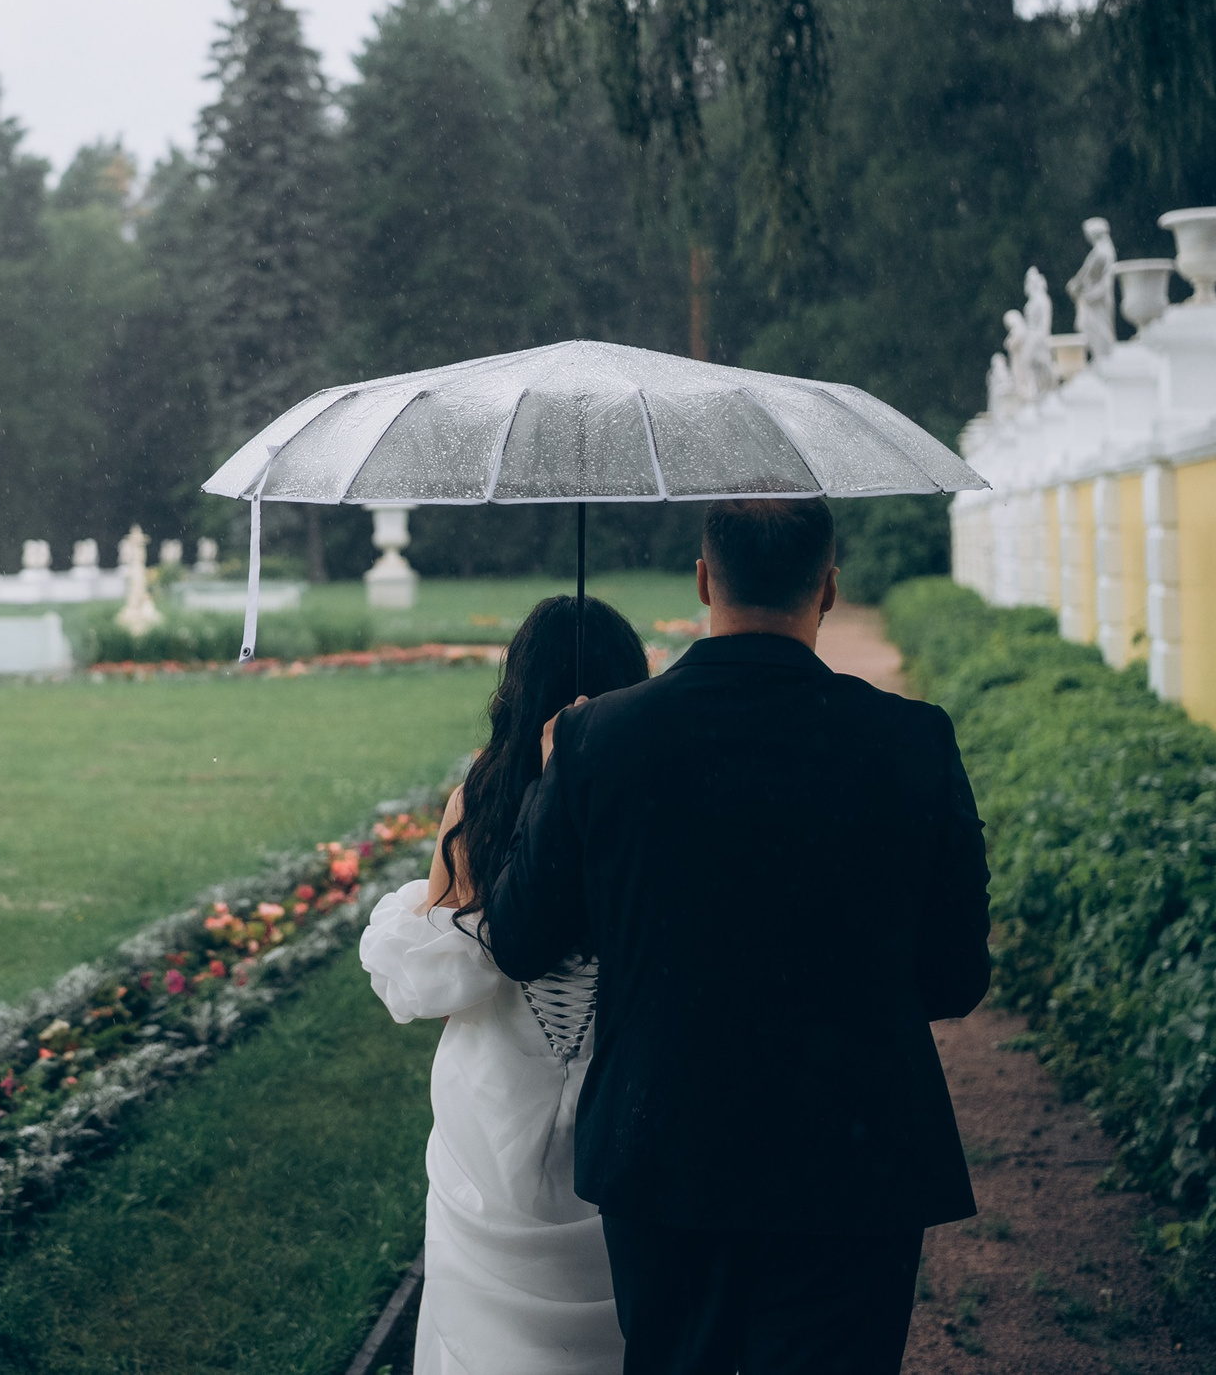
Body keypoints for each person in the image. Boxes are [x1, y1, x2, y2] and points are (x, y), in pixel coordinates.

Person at [485, 498, 990, 1375]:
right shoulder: (913, 740)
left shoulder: (600, 737)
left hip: (664, 1151)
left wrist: (554, 774)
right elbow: (953, 979)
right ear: (829, 588)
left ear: (704, 579)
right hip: (856, 1160)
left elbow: (520, 937)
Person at [359, 593, 652, 1375]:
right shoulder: (654, 801)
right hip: (621, 1099)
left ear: (517, 688)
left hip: (491, 1114)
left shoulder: (482, 803)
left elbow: (435, 966)